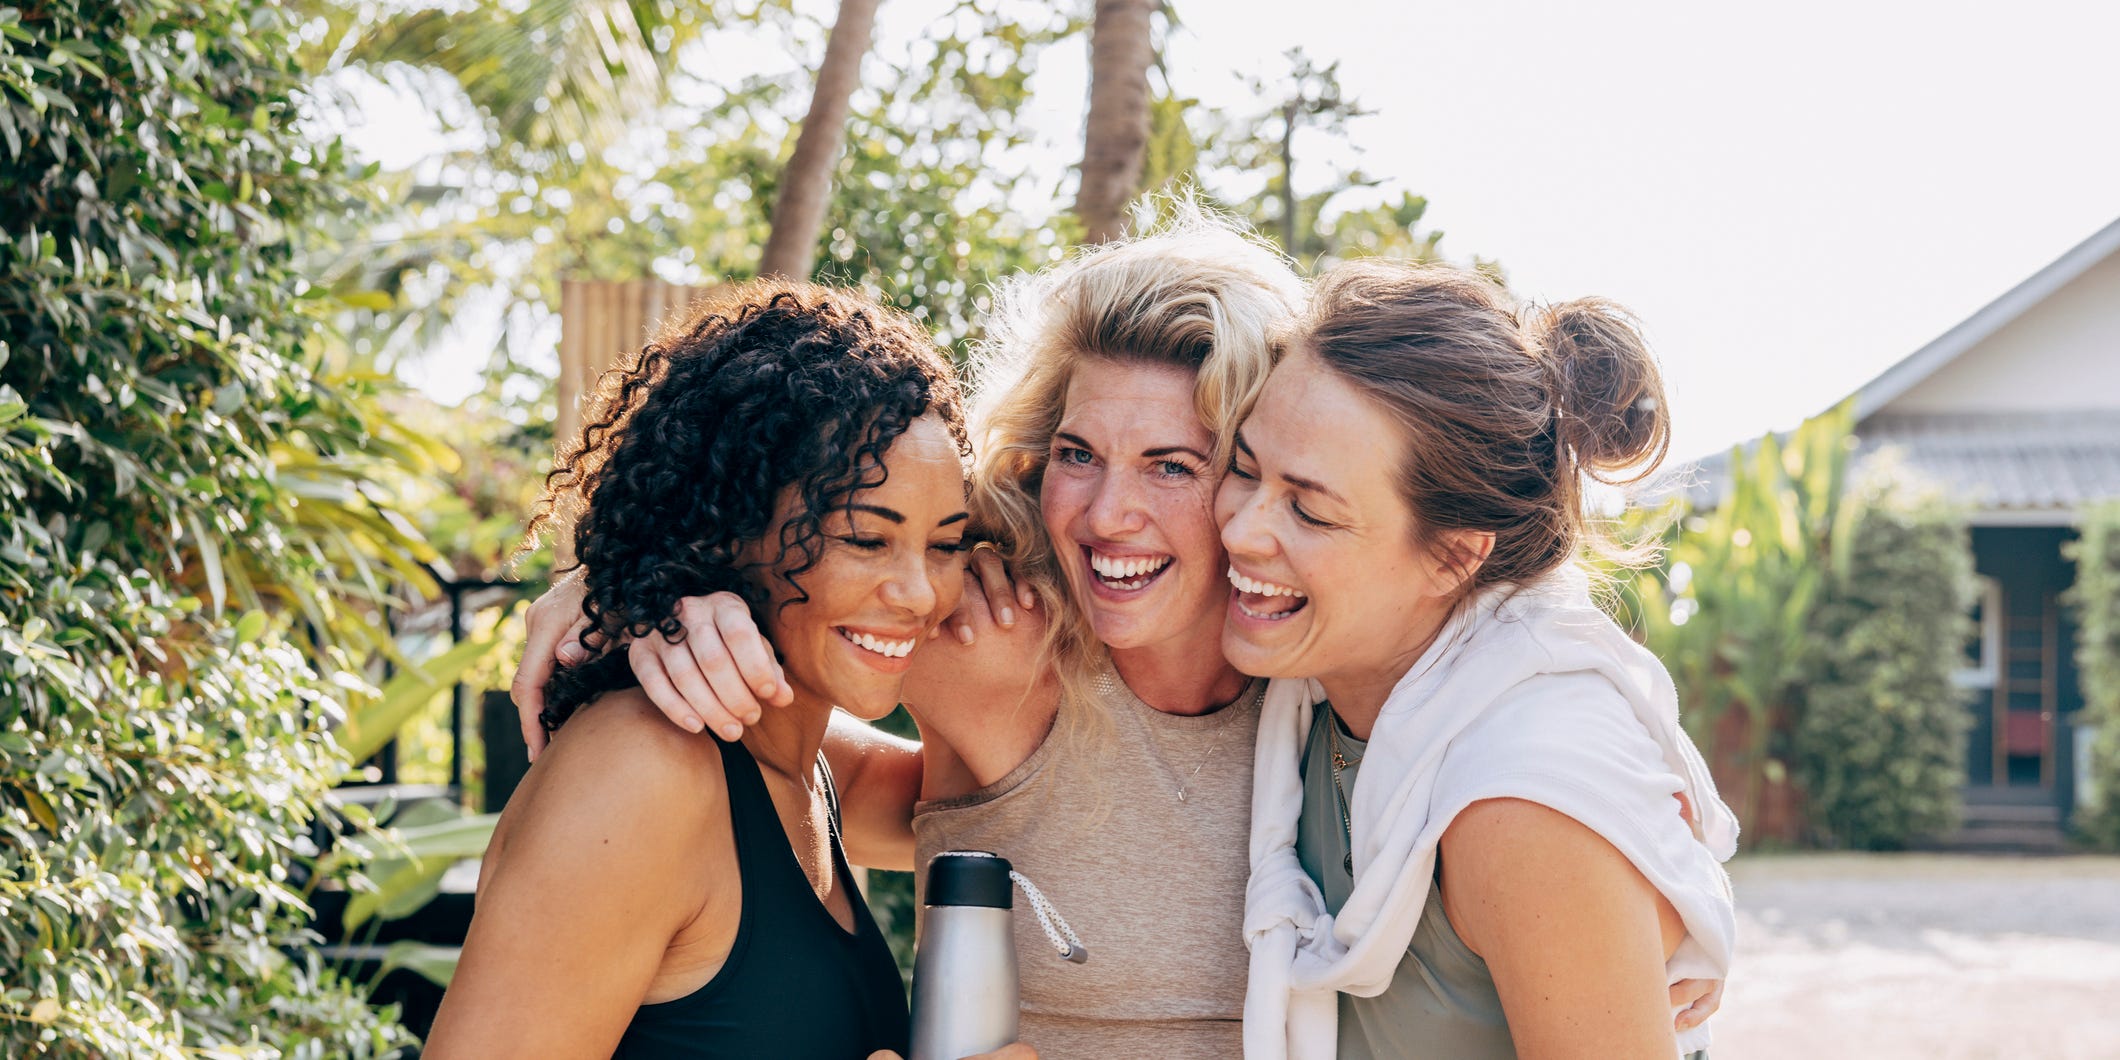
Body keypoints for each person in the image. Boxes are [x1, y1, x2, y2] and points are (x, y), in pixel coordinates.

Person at [508, 213, 1726, 1057]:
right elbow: (805, 559)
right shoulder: (993, 634)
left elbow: (1508, 637)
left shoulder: (1338, 683)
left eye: (1185, 465)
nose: (1108, 514)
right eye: (1078, 455)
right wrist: (634, 603)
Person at [425, 281, 979, 1059]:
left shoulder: (801, 763)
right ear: (729, 528)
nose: (921, 593)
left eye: (946, 544)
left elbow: (977, 803)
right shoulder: (643, 772)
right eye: (865, 537)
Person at [1231, 260, 1738, 1059]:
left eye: (1309, 508)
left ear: (1452, 557)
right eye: (1243, 468)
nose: (1240, 529)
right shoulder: (1319, 701)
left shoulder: (1527, 800)